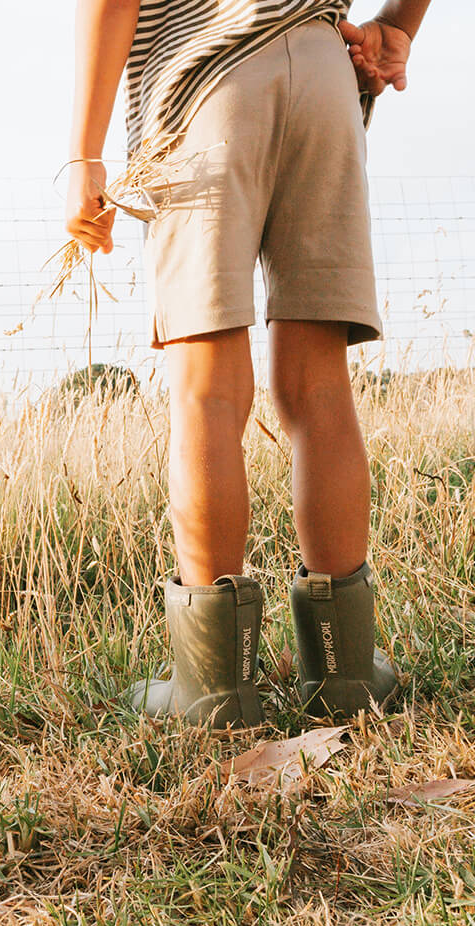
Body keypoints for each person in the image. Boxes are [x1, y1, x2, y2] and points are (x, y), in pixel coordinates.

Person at [66, 0, 430, 727]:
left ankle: (215, 689)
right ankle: (343, 675)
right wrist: (399, 25)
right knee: (319, 386)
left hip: (206, 77)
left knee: (207, 394)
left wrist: (84, 153)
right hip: (324, 71)